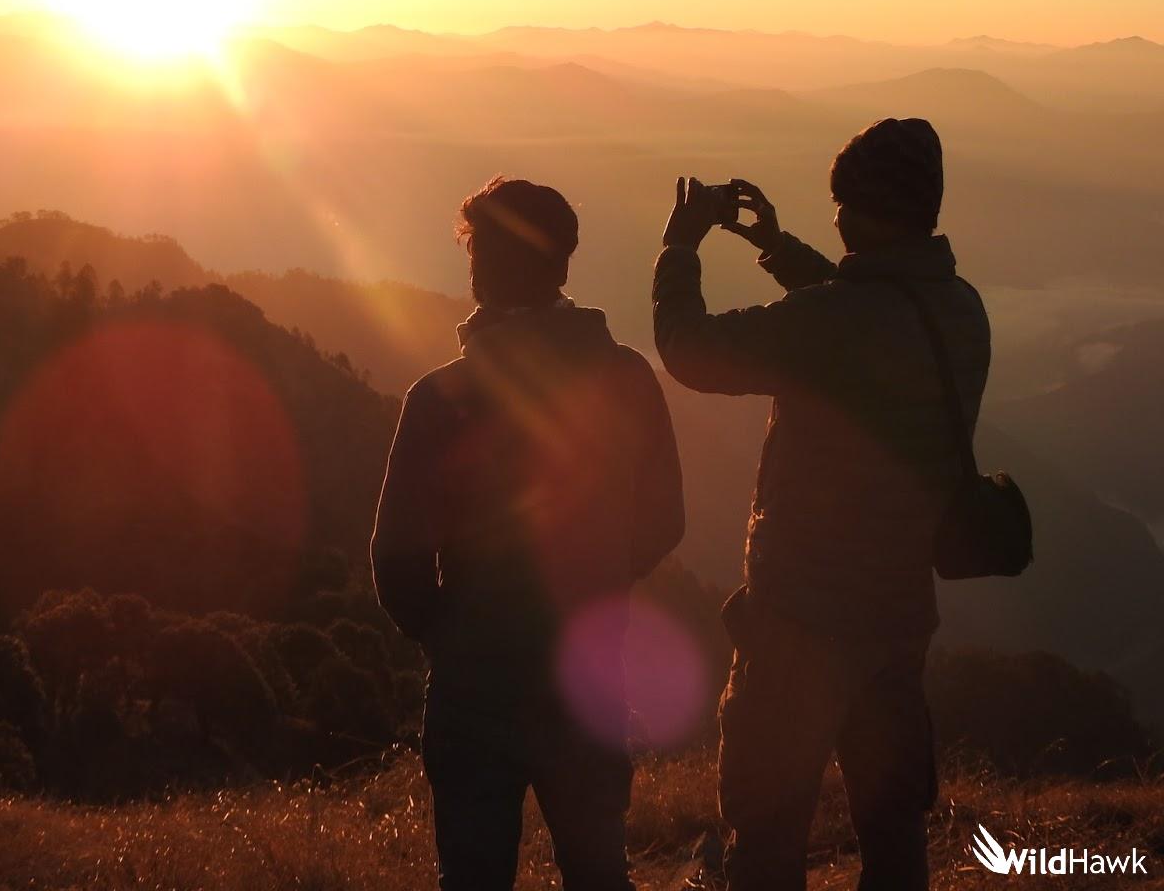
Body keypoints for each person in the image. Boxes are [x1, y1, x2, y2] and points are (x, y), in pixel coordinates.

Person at [652, 118, 989, 891]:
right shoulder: (961, 310)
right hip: (901, 611)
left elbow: (690, 350)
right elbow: (869, 315)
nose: (833, 217)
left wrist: (680, 248)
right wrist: (776, 246)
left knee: (768, 831)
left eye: (841, 204)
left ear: (864, 212)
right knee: (892, 823)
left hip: (801, 615)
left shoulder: (836, 323)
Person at [373, 176, 685, 891]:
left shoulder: (440, 398)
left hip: (474, 682)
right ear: (564, 263)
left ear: (479, 268)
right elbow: (666, 517)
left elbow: (397, 562)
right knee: (600, 869)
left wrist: (451, 634)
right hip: (588, 673)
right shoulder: (629, 379)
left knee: (475, 875)